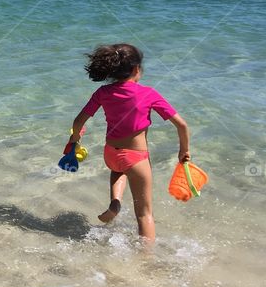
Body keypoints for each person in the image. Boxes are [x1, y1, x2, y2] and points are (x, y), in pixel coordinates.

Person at [69, 43, 190, 242]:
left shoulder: (103, 92)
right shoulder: (149, 94)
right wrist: (183, 151)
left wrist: (75, 139)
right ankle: (145, 260)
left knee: (118, 170)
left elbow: (78, 121)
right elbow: (182, 126)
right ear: (136, 69)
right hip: (136, 159)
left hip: (111, 153)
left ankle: (115, 203)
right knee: (144, 214)